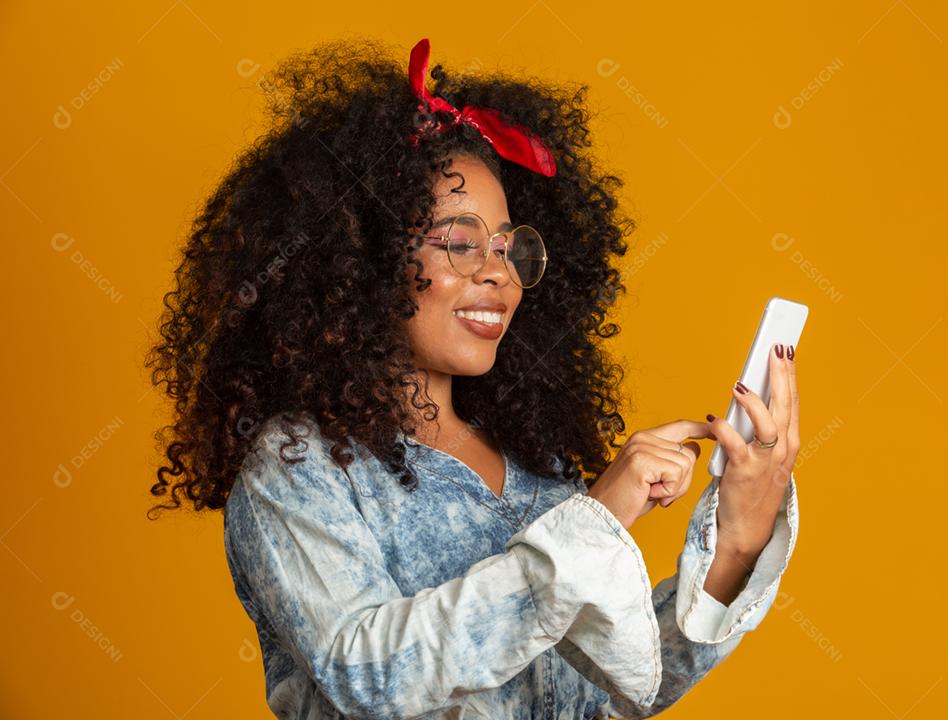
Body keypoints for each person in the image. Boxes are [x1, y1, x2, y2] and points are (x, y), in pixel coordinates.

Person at [145, 35, 801, 720]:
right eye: (460, 244)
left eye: (510, 247)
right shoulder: (300, 467)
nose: (498, 273)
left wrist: (737, 539)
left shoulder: (536, 464)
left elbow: (610, 692)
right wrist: (595, 524)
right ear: (362, 260)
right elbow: (365, 675)